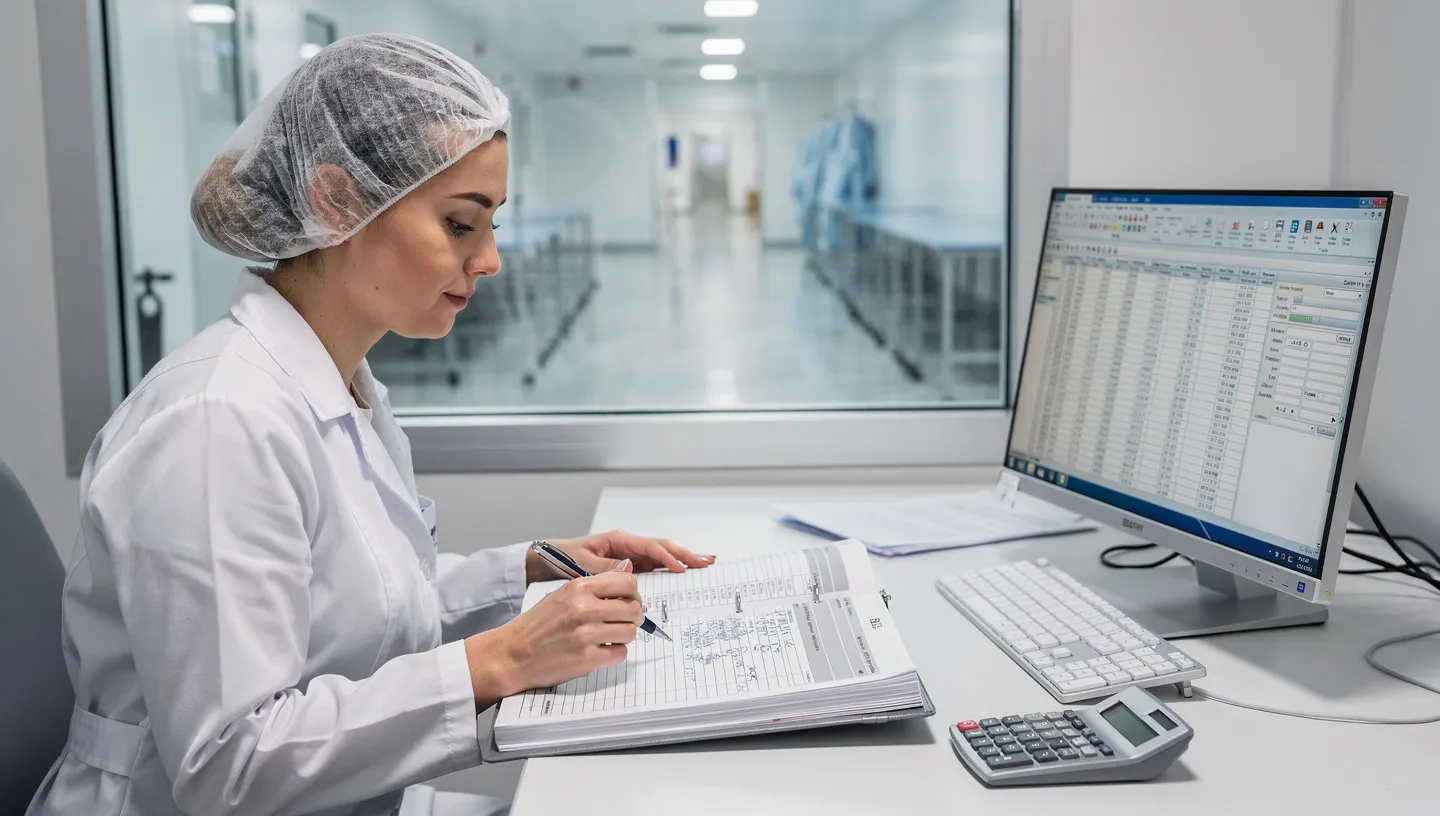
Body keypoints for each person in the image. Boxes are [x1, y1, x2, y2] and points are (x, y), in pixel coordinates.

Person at [27, 33, 712, 816]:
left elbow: (364, 609)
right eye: (461, 223)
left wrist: (531, 569)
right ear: (335, 202)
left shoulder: (338, 385)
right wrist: (501, 659)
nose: (490, 260)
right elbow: (228, 768)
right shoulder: (217, 424)